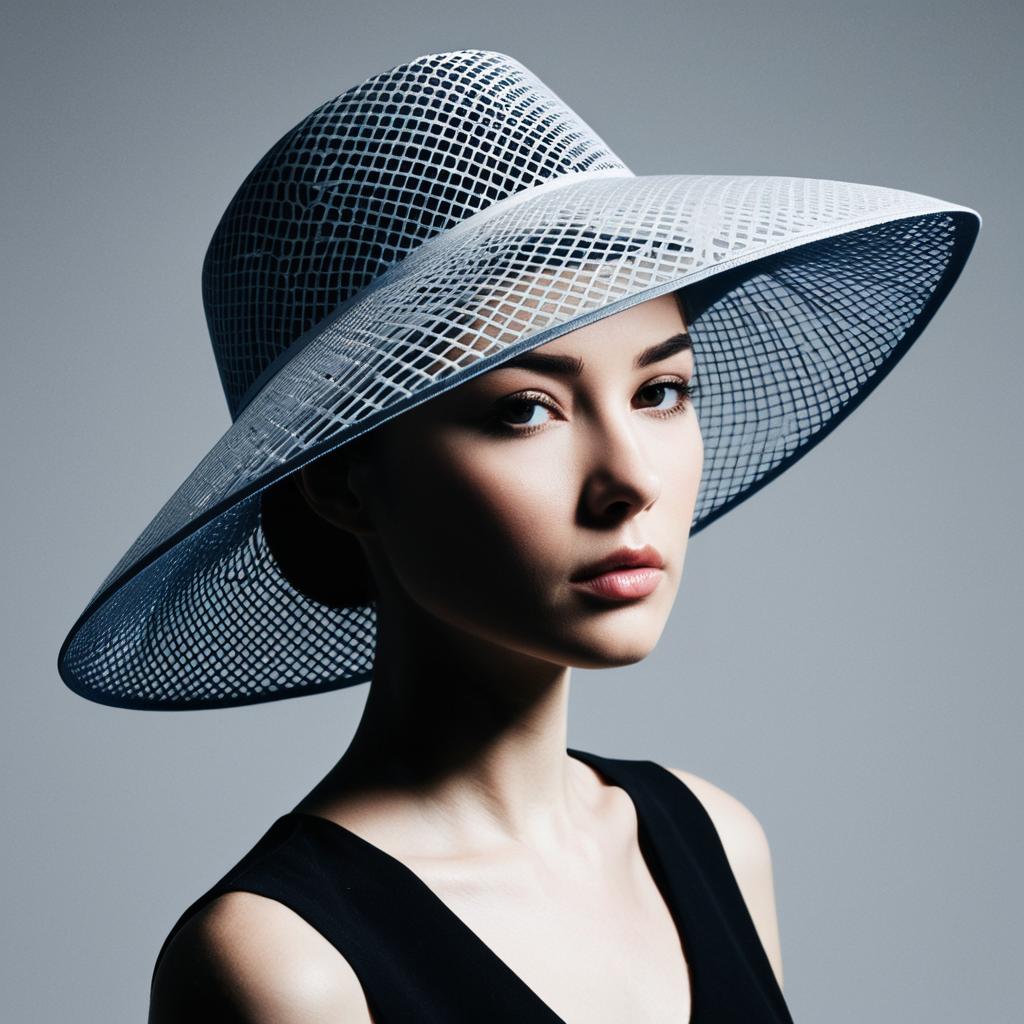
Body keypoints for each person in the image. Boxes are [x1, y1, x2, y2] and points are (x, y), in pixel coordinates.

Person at [56, 48, 979, 1024]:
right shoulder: (285, 967)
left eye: (660, 391)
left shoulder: (716, 840)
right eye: (525, 410)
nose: (629, 478)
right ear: (337, 480)